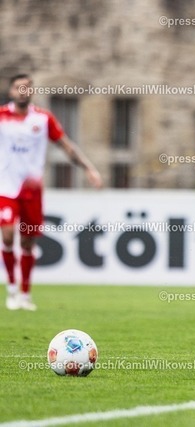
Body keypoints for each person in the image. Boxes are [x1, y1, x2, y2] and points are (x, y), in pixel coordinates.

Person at [1, 73, 103, 311]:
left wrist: (89, 169)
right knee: (7, 235)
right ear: (11, 91)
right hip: (5, 188)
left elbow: (66, 146)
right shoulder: (2, 116)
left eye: (27, 87)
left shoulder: (43, 119)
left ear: (32, 91)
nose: (22, 91)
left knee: (27, 242)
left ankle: (25, 294)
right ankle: (12, 288)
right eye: (18, 87)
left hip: (32, 190)